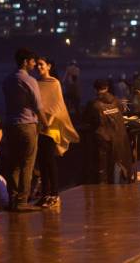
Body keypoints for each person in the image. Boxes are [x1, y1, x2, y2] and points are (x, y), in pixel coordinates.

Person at [2, 48, 50, 212]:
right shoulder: (30, 80)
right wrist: (45, 123)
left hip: (10, 125)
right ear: (25, 62)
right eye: (32, 61)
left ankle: (13, 199)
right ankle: (22, 201)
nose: (34, 64)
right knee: (27, 164)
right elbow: (38, 106)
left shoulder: (7, 80)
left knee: (14, 164)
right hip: (27, 125)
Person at [35, 57, 80, 208]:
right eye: (37, 65)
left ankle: (54, 194)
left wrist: (47, 120)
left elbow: (57, 104)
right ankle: (45, 194)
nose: (38, 67)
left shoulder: (54, 83)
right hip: (38, 126)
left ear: (49, 66)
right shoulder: (36, 83)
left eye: (41, 65)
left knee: (49, 159)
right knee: (41, 161)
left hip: (51, 126)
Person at [82, 79, 133, 184]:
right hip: (119, 137)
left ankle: (103, 184)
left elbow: (86, 119)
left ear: (95, 90)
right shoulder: (116, 101)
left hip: (103, 138)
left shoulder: (94, 104)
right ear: (107, 88)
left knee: (102, 164)